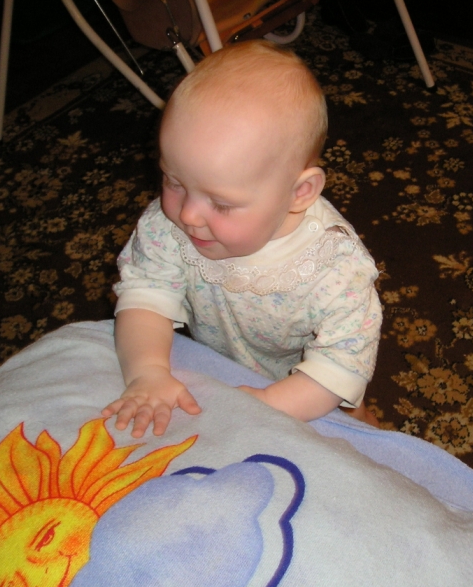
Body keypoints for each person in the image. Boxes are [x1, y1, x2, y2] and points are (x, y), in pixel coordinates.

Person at [103, 40, 383, 438]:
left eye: (221, 203)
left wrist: (269, 404)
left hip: (311, 383)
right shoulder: (168, 227)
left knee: (354, 431)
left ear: (299, 193)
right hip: (222, 361)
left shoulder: (336, 268)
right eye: (173, 181)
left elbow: (341, 364)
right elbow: (145, 295)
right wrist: (147, 372)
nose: (188, 215)